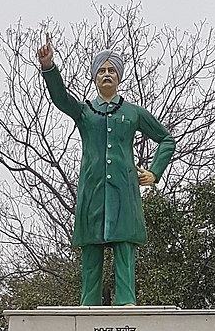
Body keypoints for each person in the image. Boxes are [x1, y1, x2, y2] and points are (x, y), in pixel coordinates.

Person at [38, 35, 175, 305]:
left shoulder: (134, 113)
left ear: (120, 76)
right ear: (94, 77)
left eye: (112, 70)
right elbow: (60, 98)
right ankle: (88, 303)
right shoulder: (85, 111)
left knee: (125, 248)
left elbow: (166, 139)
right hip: (92, 191)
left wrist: (155, 172)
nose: (107, 74)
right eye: (102, 70)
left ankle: (126, 302)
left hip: (124, 191)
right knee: (90, 249)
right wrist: (49, 67)